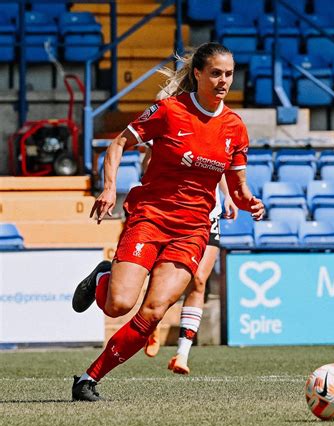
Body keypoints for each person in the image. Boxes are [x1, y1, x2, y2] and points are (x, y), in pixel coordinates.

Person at [70, 42, 265, 401]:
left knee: (154, 311)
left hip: (192, 231)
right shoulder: (169, 111)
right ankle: (103, 275)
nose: (224, 81)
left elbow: (238, 189)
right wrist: (110, 188)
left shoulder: (234, 127)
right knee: (118, 305)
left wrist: (249, 200)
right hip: (150, 217)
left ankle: (88, 379)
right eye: (216, 73)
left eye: (229, 74)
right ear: (198, 74)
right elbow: (117, 146)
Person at [143, 145, 238, 375]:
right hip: (176, 212)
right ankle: (152, 320)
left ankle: (182, 354)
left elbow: (218, 167)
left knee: (198, 279)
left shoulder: (215, 126)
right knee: (163, 276)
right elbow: (146, 167)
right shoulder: (172, 121)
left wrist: (227, 196)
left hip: (209, 215)